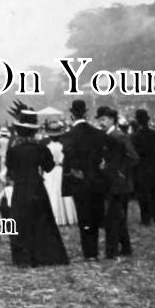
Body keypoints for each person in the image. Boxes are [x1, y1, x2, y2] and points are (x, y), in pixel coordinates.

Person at [5, 106, 69, 267]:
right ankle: (46, 255)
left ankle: (24, 258)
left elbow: (10, 170)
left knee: (21, 222)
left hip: (20, 188)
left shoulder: (13, 150)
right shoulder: (41, 148)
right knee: (42, 221)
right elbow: (49, 167)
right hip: (37, 187)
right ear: (34, 131)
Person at [61, 100, 112, 261]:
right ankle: (95, 251)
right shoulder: (98, 133)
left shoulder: (69, 136)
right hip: (96, 180)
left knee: (83, 217)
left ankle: (88, 252)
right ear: (87, 114)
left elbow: (69, 157)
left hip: (79, 181)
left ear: (71, 115)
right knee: (95, 215)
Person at [97, 106, 137, 259]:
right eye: (100, 120)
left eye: (104, 119)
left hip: (118, 183)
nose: (101, 123)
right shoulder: (106, 135)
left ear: (112, 120)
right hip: (110, 181)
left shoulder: (119, 136)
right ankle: (125, 248)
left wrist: (119, 170)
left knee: (113, 217)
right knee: (117, 217)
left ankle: (112, 250)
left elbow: (133, 157)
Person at [43, 122, 77, 226]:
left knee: (52, 192)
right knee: (63, 192)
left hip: (51, 171)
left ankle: (55, 216)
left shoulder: (47, 147)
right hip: (61, 170)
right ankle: (68, 217)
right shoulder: (63, 146)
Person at [130, 109, 155, 226]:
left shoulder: (135, 136)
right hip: (153, 167)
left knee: (142, 195)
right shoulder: (154, 134)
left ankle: (145, 218)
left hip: (140, 168)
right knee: (154, 193)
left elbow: (134, 154)